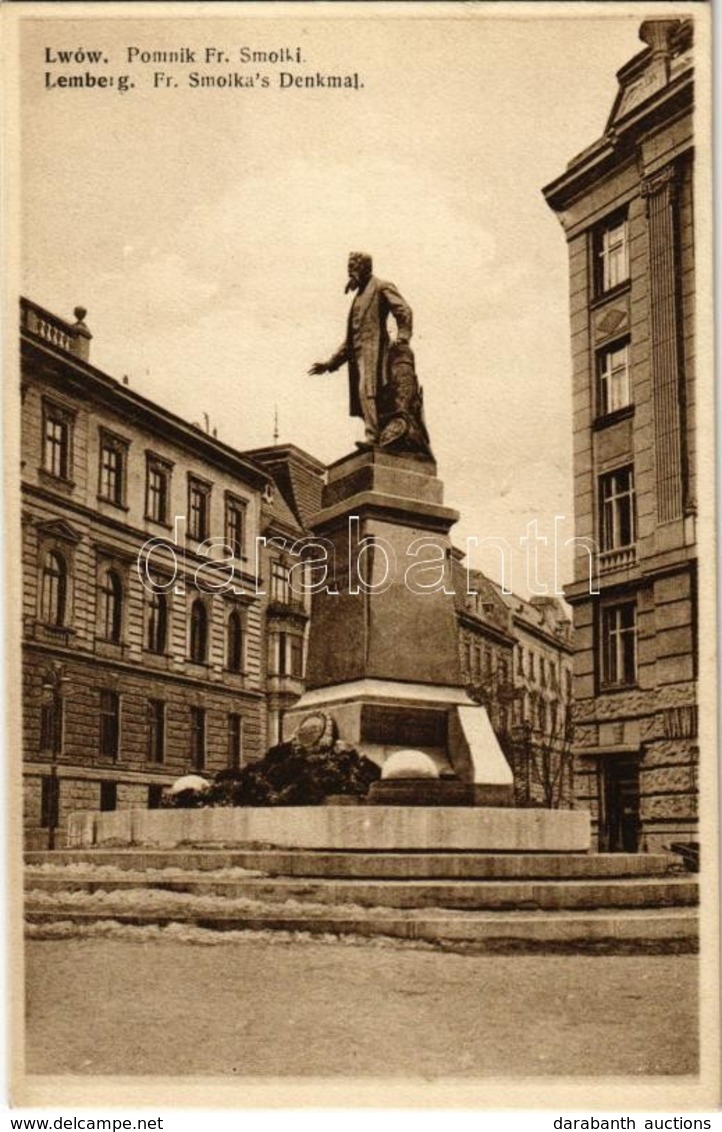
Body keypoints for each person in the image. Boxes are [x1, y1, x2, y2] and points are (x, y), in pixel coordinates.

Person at [309, 252, 413, 444]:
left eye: (354, 266)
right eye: (349, 266)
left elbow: (403, 310)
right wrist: (329, 363)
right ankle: (378, 434)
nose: (350, 271)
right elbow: (351, 339)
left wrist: (403, 336)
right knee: (363, 394)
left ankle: (373, 437)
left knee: (368, 391)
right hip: (357, 357)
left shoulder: (381, 286)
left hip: (374, 352)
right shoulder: (357, 298)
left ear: (366, 267)